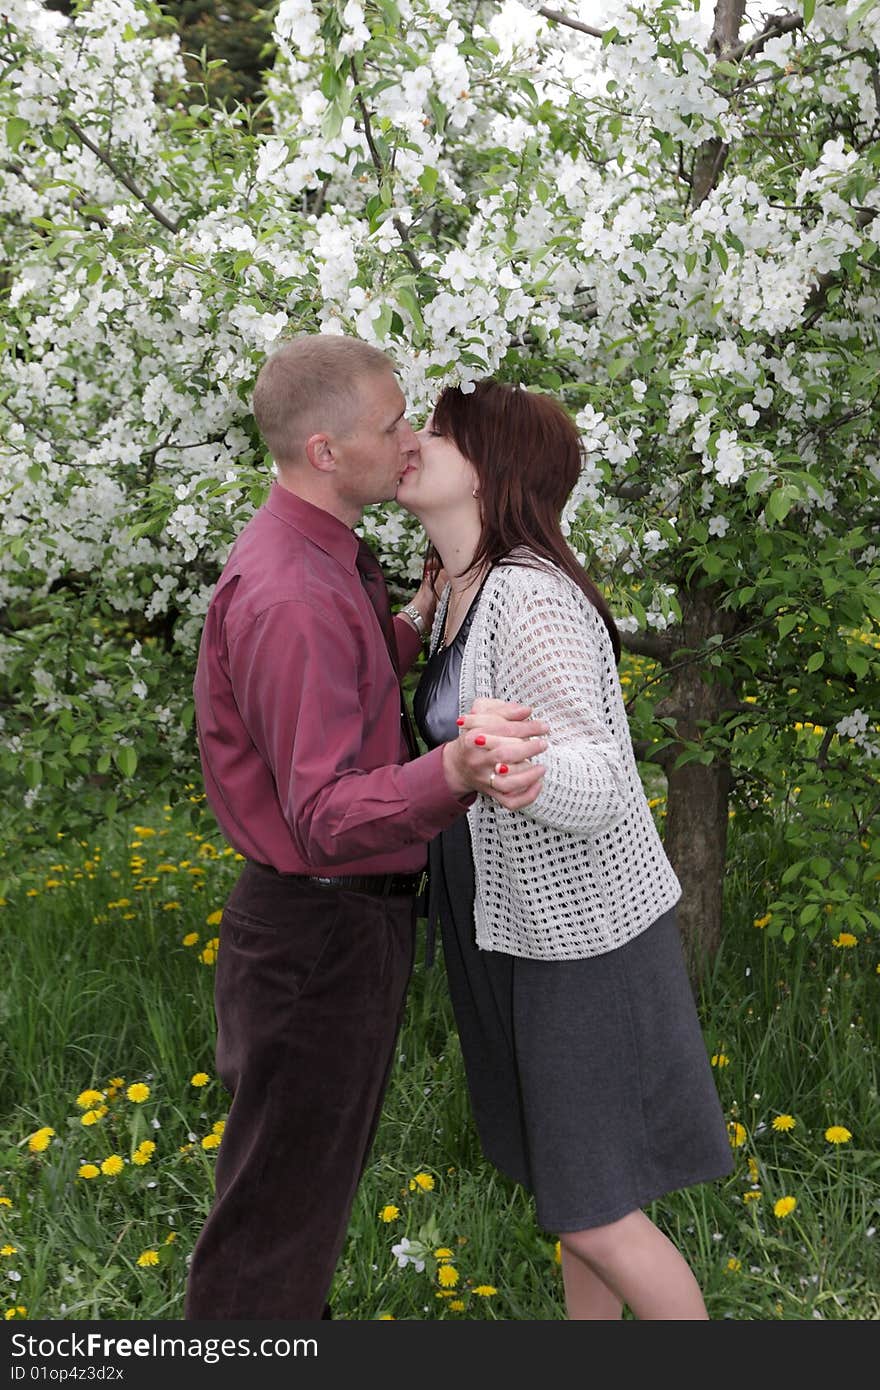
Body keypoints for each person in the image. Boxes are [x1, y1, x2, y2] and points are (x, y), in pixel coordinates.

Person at [184, 337, 549, 1320]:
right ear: (325, 450)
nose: (410, 439)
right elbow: (322, 810)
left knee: (294, 1206)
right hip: (321, 936)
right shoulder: (294, 594)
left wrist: (409, 618)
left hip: (329, 929)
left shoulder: (321, 557)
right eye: (391, 424)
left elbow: (328, 685)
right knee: (274, 1230)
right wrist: (453, 770)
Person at [398, 379, 734, 1320]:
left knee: (590, 1210)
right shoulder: (464, 589)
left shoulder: (530, 597)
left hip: (579, 934)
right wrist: (423, 611)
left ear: (491, 466)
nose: (413, 441)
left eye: (437, 431)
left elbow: (596, 762)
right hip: (505, 923)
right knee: (576, 1189)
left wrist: (531, 777)